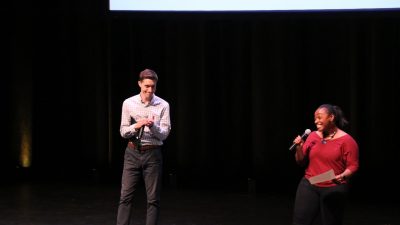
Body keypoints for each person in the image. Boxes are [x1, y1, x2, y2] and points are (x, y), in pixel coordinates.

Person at [116, 68, 171, 225]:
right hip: (132, 152)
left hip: (152, 154)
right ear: (139, 84)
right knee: (125, 196)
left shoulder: (163, 105)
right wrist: (137, 125)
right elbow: (123, 131)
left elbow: (164, 135)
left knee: (153, 199)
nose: (150, 90)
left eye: (153, 86)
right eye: (146, 86)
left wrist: (153, 126)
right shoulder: (128, 103)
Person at [291, 104, 359, 225]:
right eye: (315, 118)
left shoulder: (347, 141)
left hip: (333, 184)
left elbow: (353, 165)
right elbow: (300, 162)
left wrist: (344, 175)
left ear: (331, 117)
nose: (316, 121)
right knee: (300, 221)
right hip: (310, 182)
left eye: (319, 117)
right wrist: (299, 147)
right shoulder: (312, 136)